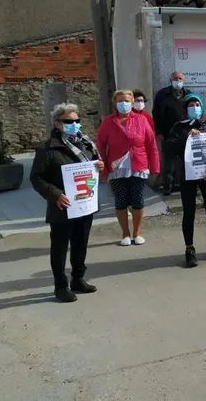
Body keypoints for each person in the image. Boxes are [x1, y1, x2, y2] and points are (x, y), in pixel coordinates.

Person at [30, 103, 104, 303]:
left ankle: (78, 279)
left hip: (84, 204)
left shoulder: (86, 144)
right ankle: (60, 286)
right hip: (62, 206)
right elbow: (36, 178)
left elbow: (94, 166)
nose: (74, 125)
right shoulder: (47, 148)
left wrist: (99, 165)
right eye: (68, 121)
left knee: (81, 243)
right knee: (60, 247)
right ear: (57, 124)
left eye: (77, 121)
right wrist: (55, 195)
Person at [166, 93, 206, 268]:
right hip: (188, 175)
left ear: (202, 107)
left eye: (197, 104)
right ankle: (189, 248)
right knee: (189, 212)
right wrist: (187, 137)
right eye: (190, 105)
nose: (194, 108)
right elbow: (169, 149)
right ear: (186, 110)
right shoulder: (179, 127)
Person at [97, 89, 160, 246]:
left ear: (132, 103)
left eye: (126, 101)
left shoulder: (141, 120)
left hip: (138, 164)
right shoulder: (107, 122)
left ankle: (136, 232)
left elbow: (151, 144)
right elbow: (100, 145)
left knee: (138, 199)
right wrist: (102, 168)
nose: (123, 104)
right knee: (121, 200)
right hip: (116, 167)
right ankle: (125, 233)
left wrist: (155, 166)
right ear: (114, 104)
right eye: (120, 101)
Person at [153, 71, 191, 195]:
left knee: (186, 160)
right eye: (176, 78)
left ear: (183, 81)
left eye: (180, 79)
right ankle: (167, 186)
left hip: (185, 133)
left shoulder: (188, 94)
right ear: (170, 79)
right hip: (167, 133)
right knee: (168, 162)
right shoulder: (162, 94)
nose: (178, 81)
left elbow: (195, 111)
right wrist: (158, 131)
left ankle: (185, 185)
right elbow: (156, 114)